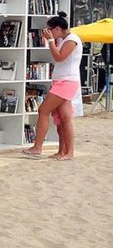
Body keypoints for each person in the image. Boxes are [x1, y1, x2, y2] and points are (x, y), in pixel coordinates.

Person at [22, 12, 81, 160]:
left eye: (50, 30)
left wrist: (50, 41)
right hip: (62, 81)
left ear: (58, 29)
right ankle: (64, 151)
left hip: (66, 82)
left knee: (43, 110)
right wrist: (52, 41)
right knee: (63, 118)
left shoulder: (71, 40)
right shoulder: (63, 39)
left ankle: (38, 147)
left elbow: (59, 57)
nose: (48, 33)